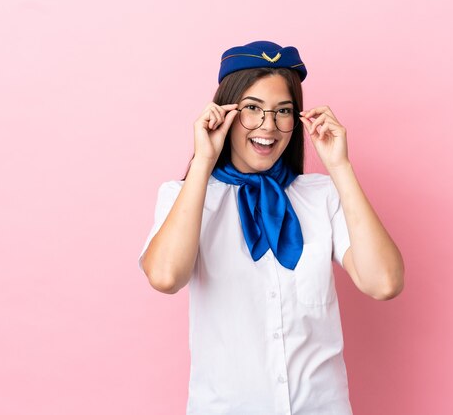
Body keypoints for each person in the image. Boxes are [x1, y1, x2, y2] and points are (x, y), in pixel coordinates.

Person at [138, 40, 404, 415]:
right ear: (225, 113)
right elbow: (166, 277)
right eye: (252, 109)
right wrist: (203, 161)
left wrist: (340, 167)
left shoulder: (323, 195)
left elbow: (384, 283)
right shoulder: (185, 197)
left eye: (283, 111)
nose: (269, 126)